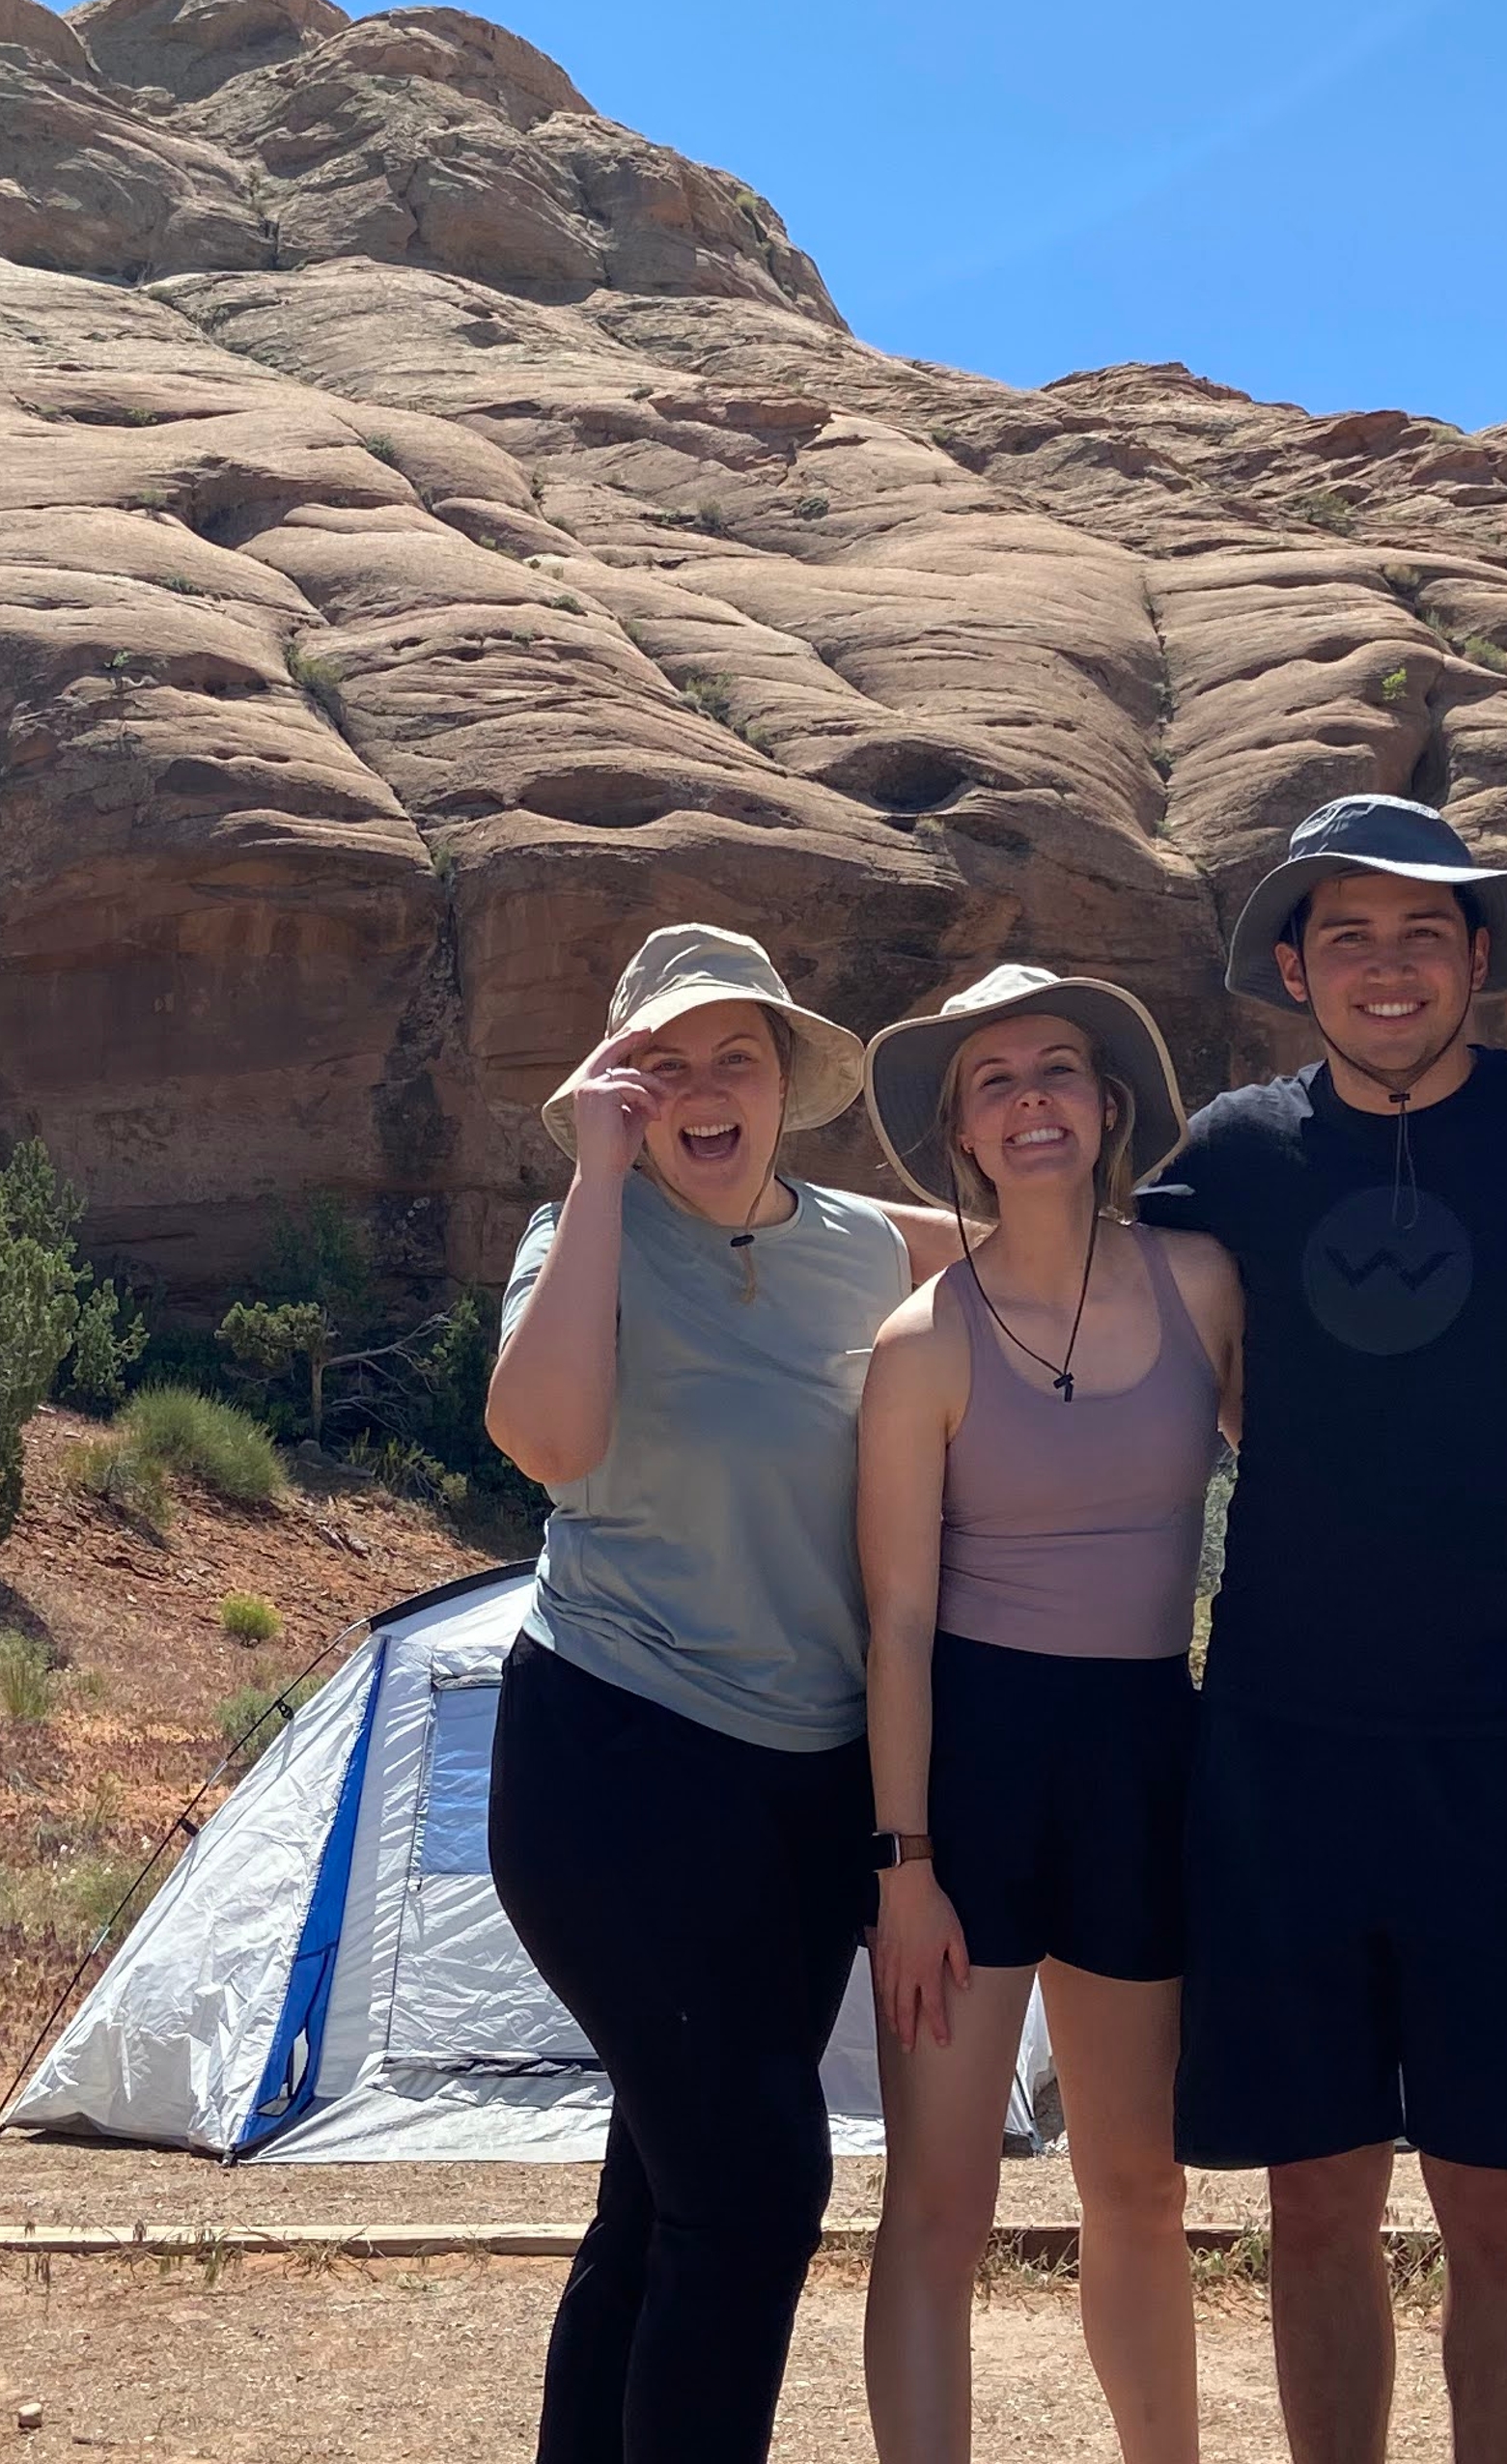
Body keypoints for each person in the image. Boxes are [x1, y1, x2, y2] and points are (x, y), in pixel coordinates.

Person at [1132, 794, 1507, 2464]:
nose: (1385, 964)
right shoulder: (1231, 1151)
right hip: (1281, 1744)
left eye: (1421, 931)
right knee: (1311, 2202)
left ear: (1477, 957)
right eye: (1345, 934)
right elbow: (1041, 1283)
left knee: (1502, 2200)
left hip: (1499, 1742)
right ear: (1294, 966)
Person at [482, 921, 963, 2464]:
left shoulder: (867, 1245)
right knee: (757, 2190)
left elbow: (1043, 1240)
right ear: (614, 1090)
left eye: (732, 1058)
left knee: (664, 2192)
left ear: (781, 1083)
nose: (702, 1089)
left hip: (809, 1792)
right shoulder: (581, 1239)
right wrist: (598, 1176)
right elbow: (546, 1443)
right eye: (659, 1065)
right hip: (618, 1760)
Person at [851, 964, 1242, 2464]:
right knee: (941, 2203)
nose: (1032, 1101)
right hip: (970, 1777)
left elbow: (1329, 1465)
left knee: (1139, 2187)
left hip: (1146, 1762)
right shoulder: (922, 1345)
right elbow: (893, 1617)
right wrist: (904, 1863)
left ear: (1110, 1106)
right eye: (995, 1082)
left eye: (1058, 1071)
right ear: (961, 1133)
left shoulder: (1199, 1284)